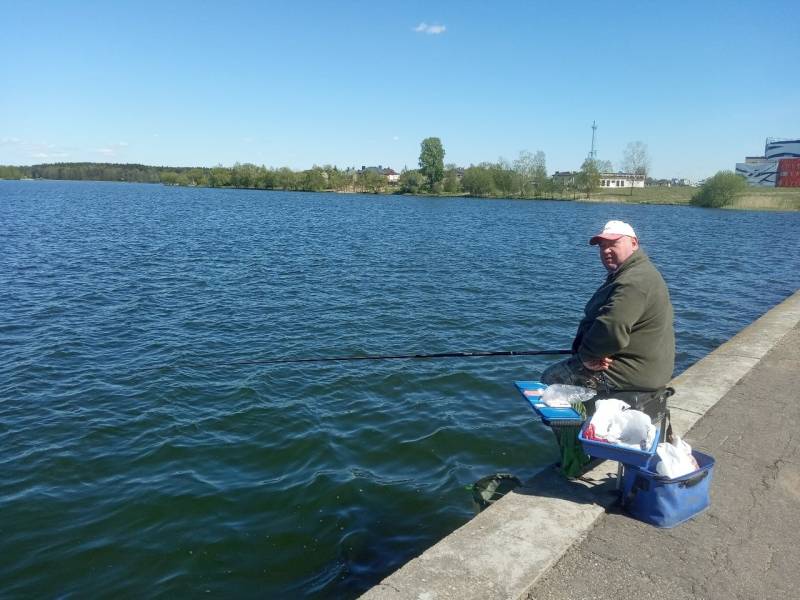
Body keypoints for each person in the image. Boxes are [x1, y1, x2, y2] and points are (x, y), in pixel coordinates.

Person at [541, 220, 675, 477]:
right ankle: (591, 434)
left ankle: (577, 454)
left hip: (634, 372)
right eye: (602, 246)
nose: (606, 251)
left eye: (614, 243)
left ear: (634, 243)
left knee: (552, 380)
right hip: (644, 363)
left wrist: (586, 356)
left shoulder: (632, 282)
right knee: (568, 381)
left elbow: (611, 329)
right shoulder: (637, 272)